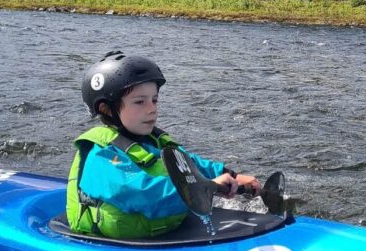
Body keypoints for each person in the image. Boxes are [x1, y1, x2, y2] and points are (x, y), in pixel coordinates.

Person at [67, 50, 261, 239]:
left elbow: (191, 165)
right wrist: (208, 187)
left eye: (154, 100)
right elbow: (145, 195)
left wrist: (232, 175)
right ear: (106, 109)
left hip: (165, 232)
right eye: (140, 102)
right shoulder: (100, 156)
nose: (152, 109)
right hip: (122, 243)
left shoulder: (154, 142)